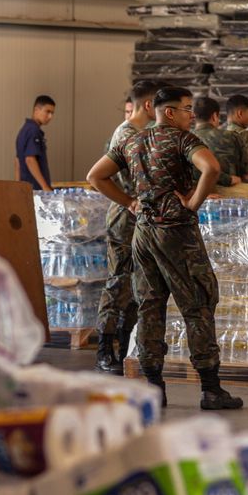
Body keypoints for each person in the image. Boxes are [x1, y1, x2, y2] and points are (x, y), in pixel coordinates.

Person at [86, 86, 243, 411]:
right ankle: (211, 389)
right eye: (187, 109)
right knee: (197, 305)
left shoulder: (131, 140)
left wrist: (130, 202)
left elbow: (95, 176)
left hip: (143, 233)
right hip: (176, 233)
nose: (191, 115)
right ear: (169, 112)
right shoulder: (182, 140)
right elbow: (211, 168)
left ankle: (154, 386)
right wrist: (193, 204)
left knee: (149, 307)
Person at [94, 80, 159, 374]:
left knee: (135, 287)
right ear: (149, 105)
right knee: (118, 283)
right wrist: (129, 201)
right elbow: (101, 178)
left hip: (140, 221)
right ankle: (105, 349)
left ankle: (123, 345)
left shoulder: (143, 133)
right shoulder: (127, 135)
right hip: (124, 221)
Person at [190, 97, 243, 187]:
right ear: (214, 116)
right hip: (230, 191)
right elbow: (244, 171)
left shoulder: (185, 138)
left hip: (195, 194)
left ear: (193, 116)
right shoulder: (232, 136)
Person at [16, 95, 56, 192]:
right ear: (36, 109)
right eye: (47, 112)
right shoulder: (34, 131)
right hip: (35, 190)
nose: (50, 117)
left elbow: (17, 161)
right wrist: (45, 187)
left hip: (25, 189)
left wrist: (17, 186)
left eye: (52, 113)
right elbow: (30, 159)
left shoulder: (25, 130)